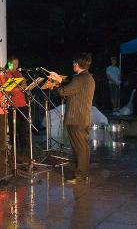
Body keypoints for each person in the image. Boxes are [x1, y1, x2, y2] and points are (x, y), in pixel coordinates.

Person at [49, 52, 95, 184]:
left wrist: (54, 84)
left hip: (76, 119)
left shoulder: (79, 79)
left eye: (74, 62)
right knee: (83, 147)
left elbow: (63, 92)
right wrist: (60, 79)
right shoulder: (88, 78)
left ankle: (80, 175)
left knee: (79, 148)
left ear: (78, 64)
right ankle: (84, 173)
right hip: (83, 117)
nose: (73, 64)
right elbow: (73, 86)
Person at [6, 56, 29, 153]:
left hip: (22, 102)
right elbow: (8, 89)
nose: (16, 65)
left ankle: (24, 146)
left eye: (17, 63)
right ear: (10, 64)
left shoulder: (19, 73)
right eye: (14, 63)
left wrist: (26, 86)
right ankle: (14, 145)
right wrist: (20, 87)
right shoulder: (7, 74)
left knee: (23, 126)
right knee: (13, 127)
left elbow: (23, 87)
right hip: (13, 103)